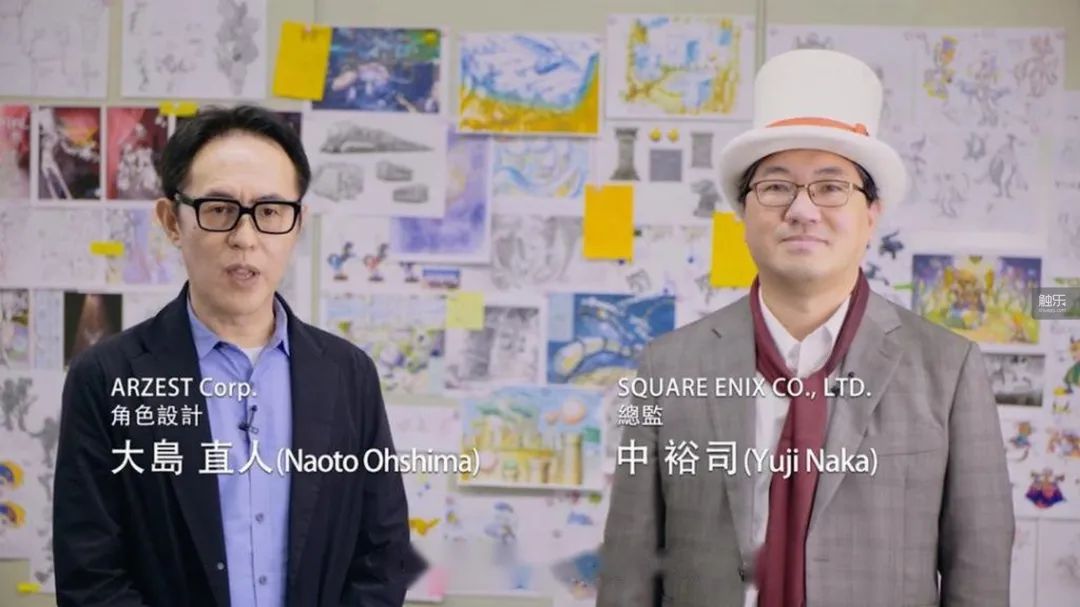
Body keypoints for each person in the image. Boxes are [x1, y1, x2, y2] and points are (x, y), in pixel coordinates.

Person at [597, 50, 1013, 607]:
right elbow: (629, 565)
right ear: (744, 214)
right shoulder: (666, 367)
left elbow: (979, 572)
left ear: (871, 215)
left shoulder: (948, 369)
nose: (802, 210)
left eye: (830, 187)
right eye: (775, 187)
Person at [53, 105, 425, 607]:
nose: (245, 238)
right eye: (219, 209)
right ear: (171, 221)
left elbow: (383, 553)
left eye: (270, 212)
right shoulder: (106, 377)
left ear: (297, 223)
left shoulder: (347, 373)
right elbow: (91, 575)